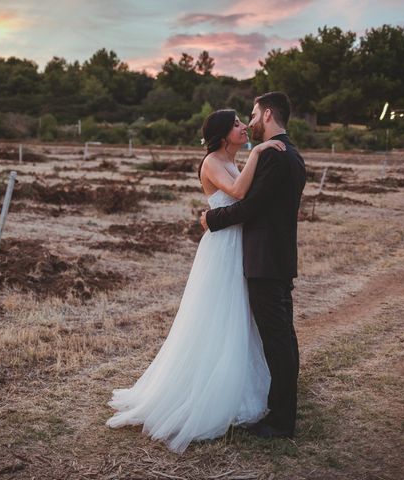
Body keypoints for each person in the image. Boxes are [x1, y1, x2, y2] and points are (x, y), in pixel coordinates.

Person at [106, 109, 286, 453]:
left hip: (239, 245)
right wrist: (261, 152)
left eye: (242, 122)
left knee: (240, 316)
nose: (243, 127)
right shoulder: (212, 162)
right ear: (221, 134)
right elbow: (237, 191)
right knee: (218, 315)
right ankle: (204, 393)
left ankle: (240, 388)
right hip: (222, 248)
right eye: (236, 125)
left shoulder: (233, 159)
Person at [201, 92, 306, 439]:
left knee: (276, 339)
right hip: (269, 256)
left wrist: (211, 218)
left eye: (253, 114)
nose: (249, 121)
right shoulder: (291, 154)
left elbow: (249, 207)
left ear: (268, 115)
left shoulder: (274, 156)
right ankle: (279, 406)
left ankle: (281, 419)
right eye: (240, 120)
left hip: (264, 259)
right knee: (277, 336)